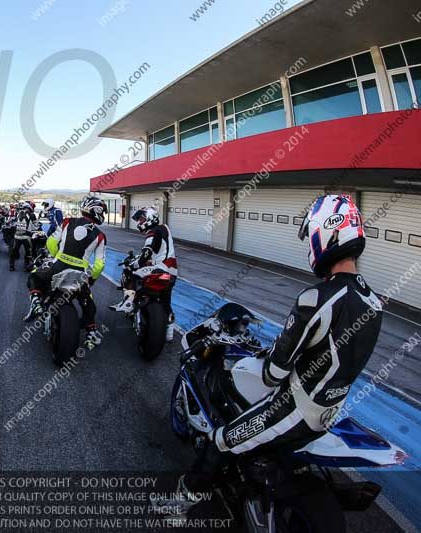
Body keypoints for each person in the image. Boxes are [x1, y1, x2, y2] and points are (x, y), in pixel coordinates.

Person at [155, 194, 382, 515]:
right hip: (331, 408)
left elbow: (275, 371)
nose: (309, 248)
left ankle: (178, 504)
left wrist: (259, 357)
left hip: (296, 408)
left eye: (310, 236)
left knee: (222, 439)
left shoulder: (318, 297)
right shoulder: (372, 301)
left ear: (326, 234)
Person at [25, 196, 108, 350]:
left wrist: (57, 256)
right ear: (97, 211)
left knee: (34, 275)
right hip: (80, 274)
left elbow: (50, 242)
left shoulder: (67, 222)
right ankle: (91, 331)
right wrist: (91, 280)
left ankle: (36, 301)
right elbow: (99, 265)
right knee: (88, 302)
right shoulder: (100, 236)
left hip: (58, 265)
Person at [110, 206, 178, 341]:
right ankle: (169, 327)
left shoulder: (153, 231)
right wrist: (146, 261)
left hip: (161, 267)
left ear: (150, 218)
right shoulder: (164, 229)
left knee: (129, 271)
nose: (139, 222)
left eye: (142, 219)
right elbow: (158, 252)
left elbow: (147, 251)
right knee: (166, 301)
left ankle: (128, 301)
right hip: (171, 271)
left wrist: (135, 263)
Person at [9, 201, 36, 272]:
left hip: (17, 236)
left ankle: (11, 266)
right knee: (28, 252)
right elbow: (35, 225)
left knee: (14, 251)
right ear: (29, 208)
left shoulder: (17, 214)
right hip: (26, 237)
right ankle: (26, 266)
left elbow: (13, 222)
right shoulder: (32, 215)